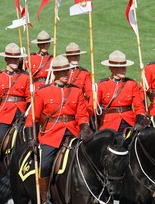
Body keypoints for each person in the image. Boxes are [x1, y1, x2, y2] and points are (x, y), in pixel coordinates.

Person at [24, 55, 91, 203]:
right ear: (55, 73)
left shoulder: (76, 91)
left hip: (73, 132)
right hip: (51, 134)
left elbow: (82, 115)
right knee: (46, 162)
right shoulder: (43, 91)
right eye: (63, 71)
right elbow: (32, 118)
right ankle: (44, 196)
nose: (67, 74)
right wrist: (30, 138)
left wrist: (84, 130)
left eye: (67, 71)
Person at [0, 43, 30, 173]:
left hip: (21, 113)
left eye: (17, 58)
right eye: (12, 58)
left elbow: (29, 98)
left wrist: (27, 112)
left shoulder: (25, 77)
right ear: (6, 60)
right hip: (3, 114)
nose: (15, 61)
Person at [96, 50, 148, 135]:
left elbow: (139, 107)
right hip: (109, 124)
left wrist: (138, 123)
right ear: (112, 68)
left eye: (125, 66)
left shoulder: (132, 84)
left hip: (129, 122)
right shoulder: (102, 84)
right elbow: (95, 107)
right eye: (121, 67)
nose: (124, 69)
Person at [62, 42, 95, 129]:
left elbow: (90, 93)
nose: (76, 58)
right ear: (68, 57)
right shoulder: (60, 71)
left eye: (77, 55)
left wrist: (90, 109)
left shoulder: (85, 74)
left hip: (79, 108)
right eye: (73, 56)